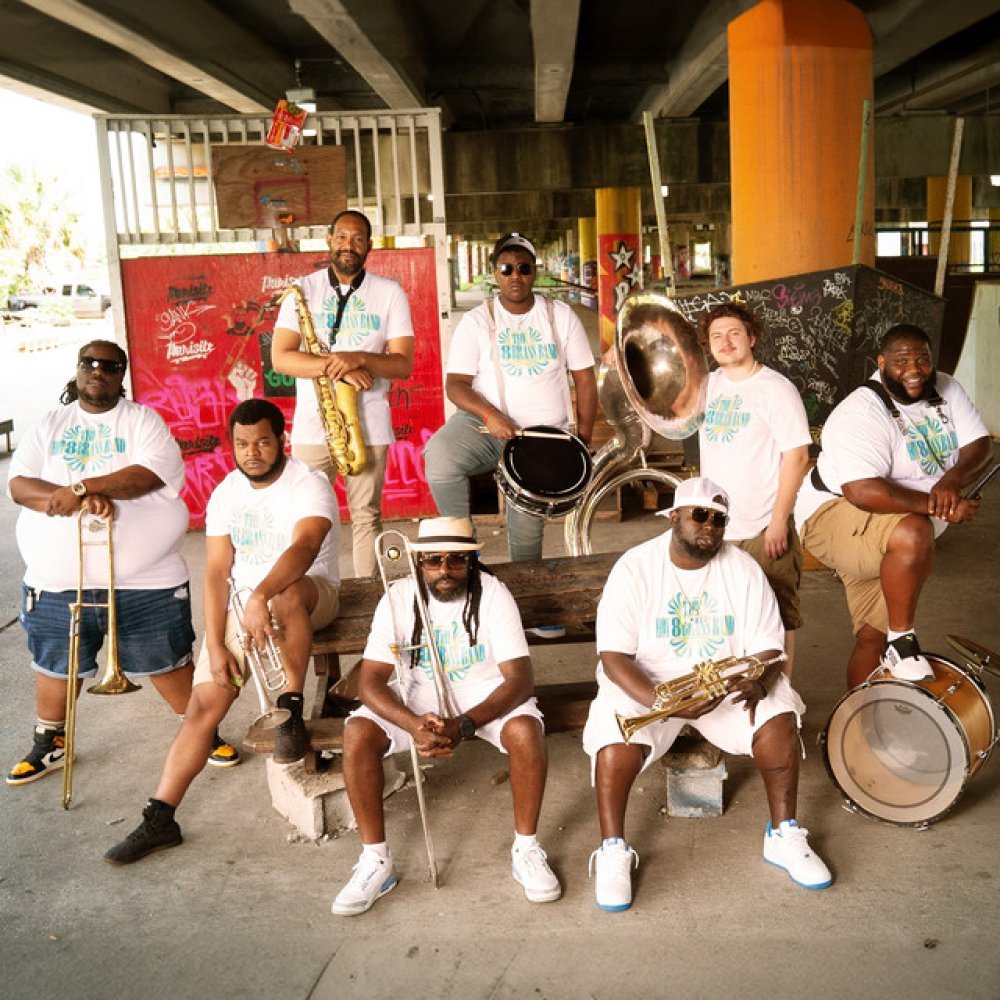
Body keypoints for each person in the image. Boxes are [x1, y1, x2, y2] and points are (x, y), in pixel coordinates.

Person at [104, 399, 341, 864]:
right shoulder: (226, 493)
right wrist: (215, 644)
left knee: (285, 595)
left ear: (282, 441)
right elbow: (215, 571)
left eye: (263, 442)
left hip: (309, 595)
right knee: (202, 708)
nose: (252, 452)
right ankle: (161, 817)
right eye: (243, 443)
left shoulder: (308, 483)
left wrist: (260, 595)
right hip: (243, 606)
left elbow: (305, 546)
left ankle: (290, 710)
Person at [583, 477, 832, 911]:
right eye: (700, 515)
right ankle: (613, 849)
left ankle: (783, 834)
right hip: (652, 688)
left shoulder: (743, 568)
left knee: (778, 717)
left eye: (719, 520)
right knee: (613, 739)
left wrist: (759, 680)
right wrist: (661, 701)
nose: (710, 526)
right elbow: (614, 657)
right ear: (673, 517)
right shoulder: (635, 567)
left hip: (727, 688)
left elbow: (769, 646)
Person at [5, 340, 240, 787]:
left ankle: (201, 731)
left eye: (109, 366)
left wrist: (82, 488)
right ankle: (50, 741)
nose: (98, 371)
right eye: (89, 363)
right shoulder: (49, 424)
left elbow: (147, 476)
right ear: (77, 370)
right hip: (58, 579)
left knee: (168, 660)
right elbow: (19, 485)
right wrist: (77, 499)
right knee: (56, 662)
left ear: (121, 374)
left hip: (146, 579)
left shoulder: (143, 421)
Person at [331, 516, 561, 916]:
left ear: (471, 561)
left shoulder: (493, 594)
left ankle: (526, 849)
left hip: (484, 692)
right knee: (357, 732)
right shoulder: (398, 598)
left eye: (456, 559)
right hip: (416, 695)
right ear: (419, 562)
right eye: (433, 560)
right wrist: (412, 724)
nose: (444, 570)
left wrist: (464, 724)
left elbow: (520, 680)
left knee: (525, 731)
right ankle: (376, 860)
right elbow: (369, 681)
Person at [795, 323, 990, 689]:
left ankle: (856, 720)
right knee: (915, 532)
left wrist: (952, 480)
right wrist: (938, 505)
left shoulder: (946, 387)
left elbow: (979, 443)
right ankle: (902, 643)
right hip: (833, 513)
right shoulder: (861, 413)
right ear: (881, 363)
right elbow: (862, 491)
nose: (914, 370)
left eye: (922, 359)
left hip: (885, 522)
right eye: (901, 361)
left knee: (872, 637)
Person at [424, 232, 597, 567]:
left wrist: (583, 439)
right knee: (440, 458)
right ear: (495, 273)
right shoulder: (476, 321)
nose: (515, 275)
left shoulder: (560, 316)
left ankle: (523, 587)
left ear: (534, 271)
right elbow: (456, 385)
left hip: (543, 436)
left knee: (527, 536)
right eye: (506, 268)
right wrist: (489, 415)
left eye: (523, 268)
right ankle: (463, 549)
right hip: (484, 427)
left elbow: (585, 379)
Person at [271, 209, 414, 578]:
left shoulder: (390, 293)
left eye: (358, 238)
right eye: (342, 237)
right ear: (329, 240)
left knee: (367, 516)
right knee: (305, 516)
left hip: (370, 426)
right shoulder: (303, 290)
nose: (349, 245)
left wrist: (360, 358)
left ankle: (368, 597)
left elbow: (402, 365)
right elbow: (281, 358)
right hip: (312, 425)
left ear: (369, 246)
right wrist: (342, 368)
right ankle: (315, 592)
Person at [698, 302, 811, 674]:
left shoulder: (775, 389)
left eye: (734, 333)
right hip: (718, 527)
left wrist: (778, 521)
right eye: (716, 336)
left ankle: (781, 697)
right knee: (725, 618)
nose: (725, 342)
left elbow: (797, 457)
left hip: (764, 526)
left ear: (752, 337)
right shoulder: (707, 386)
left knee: (777, 615)